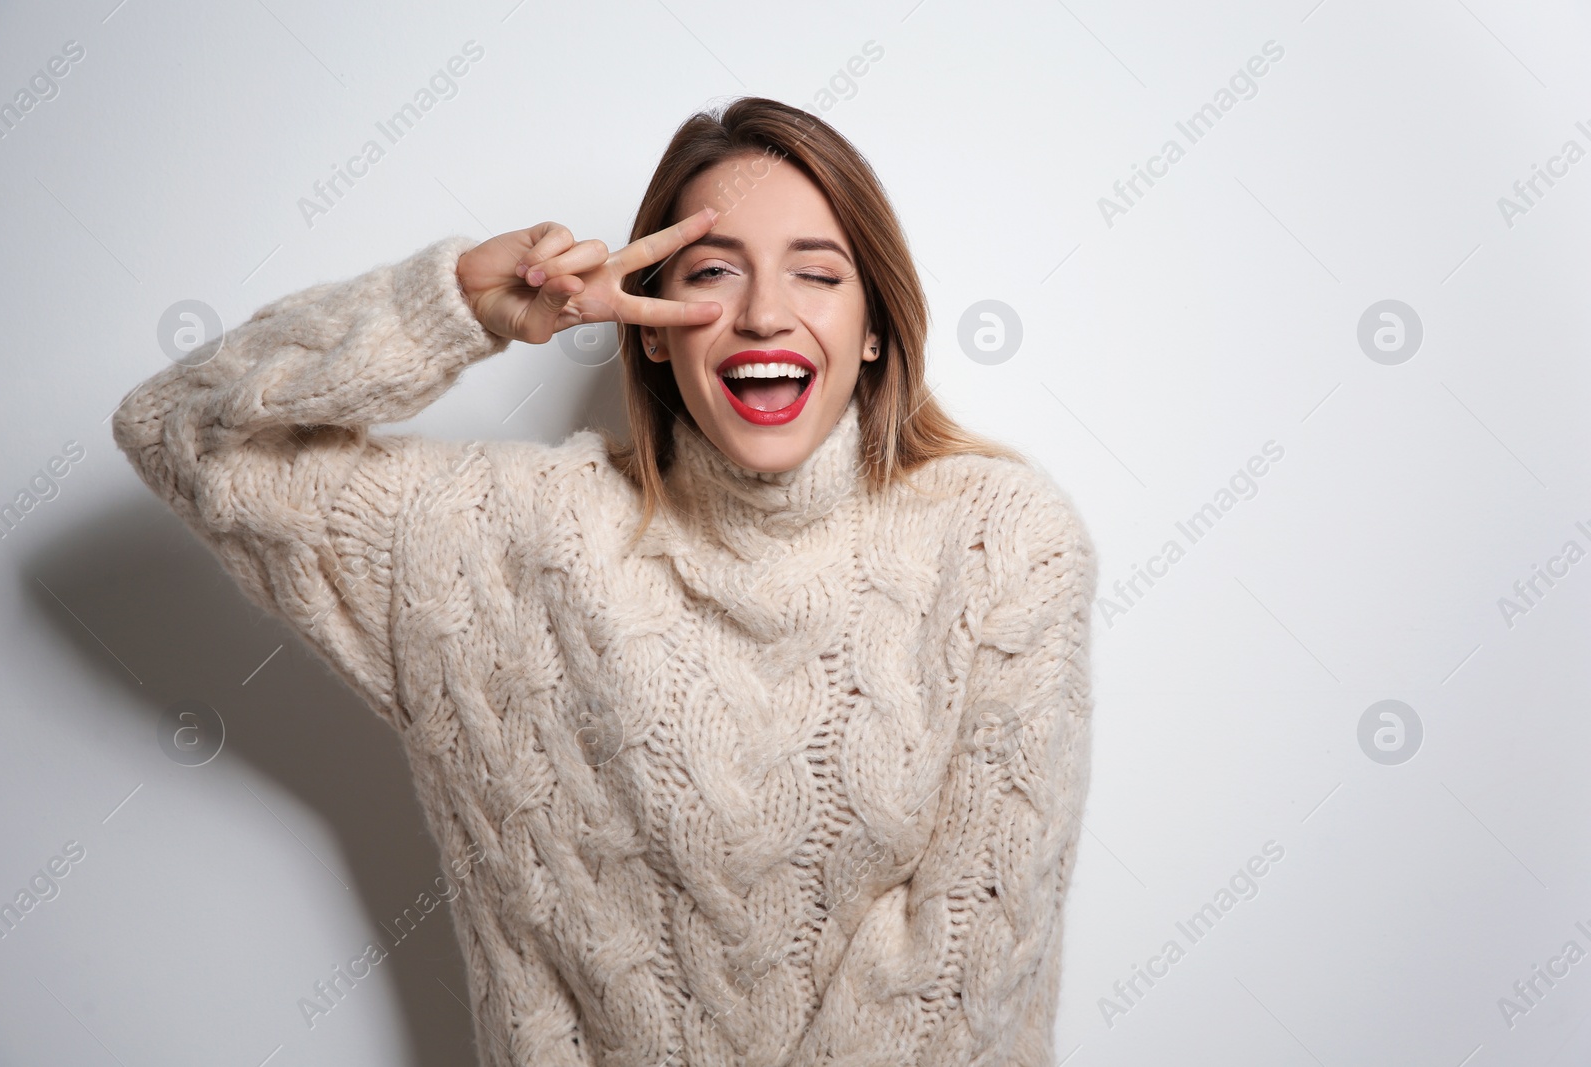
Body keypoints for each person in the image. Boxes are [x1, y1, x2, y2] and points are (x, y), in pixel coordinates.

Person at [113, 96, 1098, 1066]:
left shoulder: (998, 543)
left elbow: (968, 959)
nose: (762, 311)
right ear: (655, 331)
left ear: (876, 326)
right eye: (713, 273)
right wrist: (455, 305)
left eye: (817, 273)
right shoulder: (501, 543)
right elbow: (181, 432)